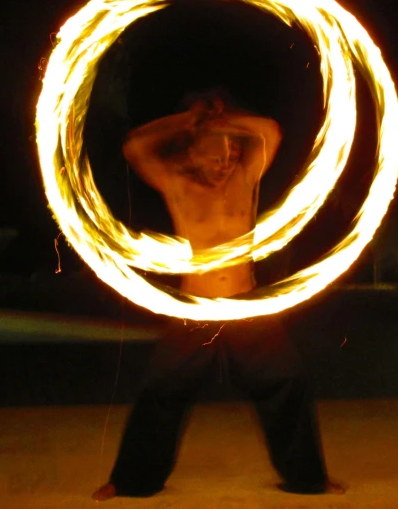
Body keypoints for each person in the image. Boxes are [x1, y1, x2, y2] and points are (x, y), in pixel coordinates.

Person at [93, 90, 343, 500]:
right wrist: (189, 122)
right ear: (192, 154)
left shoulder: (244, 179)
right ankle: (131, 481)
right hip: (195, 311)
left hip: (246, 306)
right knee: (159, 391)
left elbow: (271, 132)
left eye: (231, 154)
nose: (226, 163)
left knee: (289, 381)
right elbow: (135, 146)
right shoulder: (176, 183)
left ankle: (308, 479)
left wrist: (221, 124)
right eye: (216, 155)